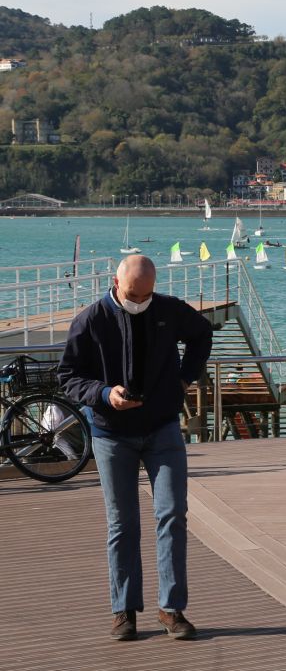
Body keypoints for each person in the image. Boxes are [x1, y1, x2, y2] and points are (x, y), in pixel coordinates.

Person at [57, 255, 213, 641]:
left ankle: (171, 609)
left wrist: (183, 380)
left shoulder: (169, 309)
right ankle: (124, 611)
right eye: (132, 295)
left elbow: (201, 335)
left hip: (162, 428)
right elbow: (67, 376)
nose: (138, 302)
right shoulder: (91, 319)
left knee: (173, 515)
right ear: (115, 282)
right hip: (111, 434)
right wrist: (105, 393)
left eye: (146, 295)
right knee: (122, 523)